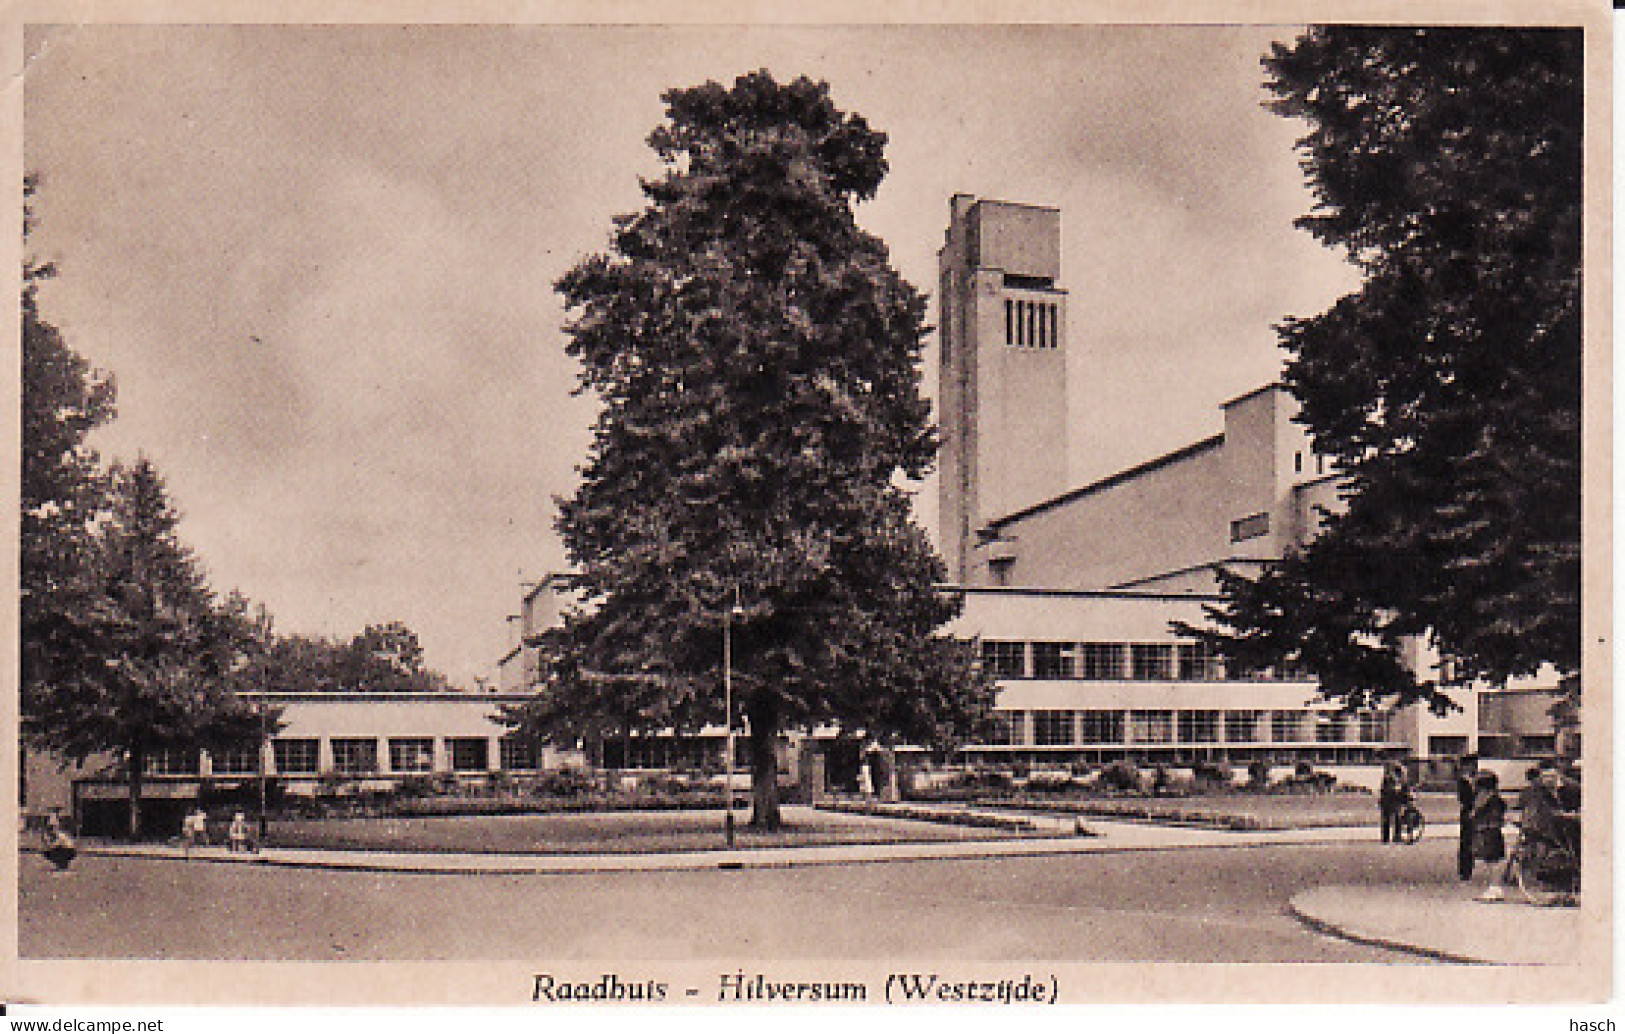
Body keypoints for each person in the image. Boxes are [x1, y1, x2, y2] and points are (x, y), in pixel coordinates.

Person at [1469, 770, 1507, 901]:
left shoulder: (1483, 798)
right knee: (1495, 860)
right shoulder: (1497, 798)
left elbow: (1474, 813)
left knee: (1490, 861)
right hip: (1495, 831)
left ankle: (1493, 887)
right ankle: (1496, 887)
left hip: (1486, 831)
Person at [1455, 755, 1479, 880]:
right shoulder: (1463, 781)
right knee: (1465, 840)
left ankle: (1468, 867)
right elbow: (1464, 798)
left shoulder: (1474, 780)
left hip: (1473, 812)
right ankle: (1464, 869)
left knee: (1470, 840)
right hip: (1467, 812)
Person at [1378, 762, 1408, 844]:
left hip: (1387, 800)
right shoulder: (1392, 779)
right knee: (1395, 818)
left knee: (1388, 819)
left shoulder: (1388, 778)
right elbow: (1395, 789)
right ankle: (1395, 837)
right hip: (1391, 800)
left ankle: (1386, 838)